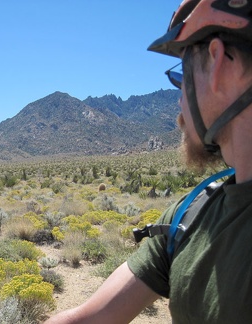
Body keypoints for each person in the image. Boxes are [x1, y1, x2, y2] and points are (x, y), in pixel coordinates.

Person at [44, 0, 252, 322]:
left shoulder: (194, 214)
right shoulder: (192, 213)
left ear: (218, 64)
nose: (180, 98)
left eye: (183, 73)